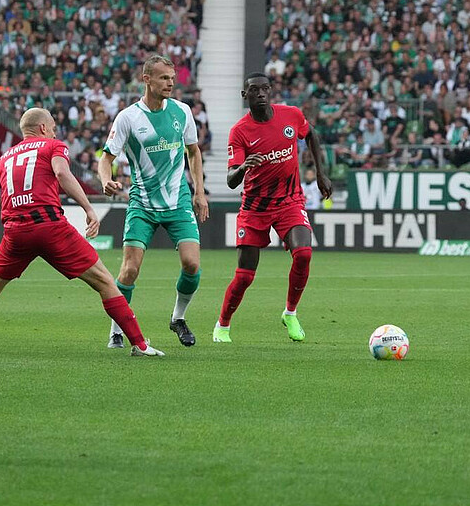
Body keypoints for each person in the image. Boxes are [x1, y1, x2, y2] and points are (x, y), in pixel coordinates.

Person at [0, 108, 164, 357]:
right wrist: (88, 208)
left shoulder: (3, 160)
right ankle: (140, 345)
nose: (56, 131)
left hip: (15, 233)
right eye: (54, 127)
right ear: (44, 128)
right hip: (50, 227)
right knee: (105, 282)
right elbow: (61, 172)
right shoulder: (52, 146)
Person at [98, 54, 209, 348]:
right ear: (146, 80)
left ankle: (178, 318)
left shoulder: (182, 112)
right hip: (143, 204)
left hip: (178, 200)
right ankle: (116, 330)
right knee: (130, 269)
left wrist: (199, 191)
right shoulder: (128, 118)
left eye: (172, 78)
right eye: (164, 78)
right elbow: (106, 158)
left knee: (192, 264)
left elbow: (194, 152)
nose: (170, 83)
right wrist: (105, 179)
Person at [214, 72, 332, 343]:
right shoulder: (240, 131)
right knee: (245, 276)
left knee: (303, 253)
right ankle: (223, 324)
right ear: (245, 96)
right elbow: (232, 181)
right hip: (255, 207)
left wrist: (320, 172)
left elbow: (311, 133)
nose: (261, 93)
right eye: (254, 90)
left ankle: (290, 312)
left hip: (290, 201)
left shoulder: (290, 115)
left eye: (265, 88)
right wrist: (244, 166)